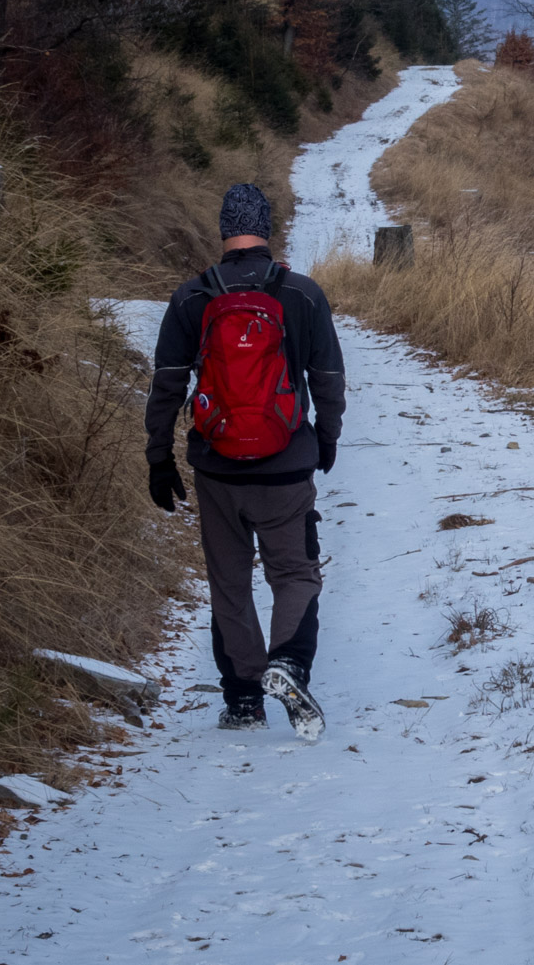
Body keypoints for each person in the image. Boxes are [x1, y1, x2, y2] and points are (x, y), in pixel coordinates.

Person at [144, 184, 345, 737]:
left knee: (229, 581)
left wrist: (158, 458)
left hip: (216, 469)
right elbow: (328, 380)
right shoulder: (302, 294)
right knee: (295, 572)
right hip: (286, 465)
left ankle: (243, 700)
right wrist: (325, 439)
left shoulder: (192, 297)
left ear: (223, 231)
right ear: (268, 228)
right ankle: (289, 663)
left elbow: (165, 387)